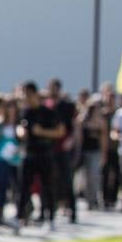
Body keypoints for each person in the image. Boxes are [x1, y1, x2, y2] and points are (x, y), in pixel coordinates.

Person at [16, 81, 64, 229]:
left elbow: (60, 131)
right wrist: (21, 132)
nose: (26, 98)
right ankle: (20, 217)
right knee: (24, 187)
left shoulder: (48, 112)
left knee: (48, 186)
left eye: (28, 94)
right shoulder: (25, 112)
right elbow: (20, 127)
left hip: (45, 153)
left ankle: (50, 218)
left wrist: (42, 132)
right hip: (29, 153)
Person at [46, 79, 79, 223]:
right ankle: (49, 211)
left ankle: (72, 211)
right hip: (49, 148)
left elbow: (73, 126)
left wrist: (71, 140)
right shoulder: (47, 106)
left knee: (67, 180)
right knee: (50, 181)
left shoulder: (67, 106)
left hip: (63, 148)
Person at [0, 98, 23, 227]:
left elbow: (22, 138)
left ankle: (19, 214)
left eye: (12, 106)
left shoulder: (19, 122)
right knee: (1, 187)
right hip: (2, 159)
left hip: (16, 160)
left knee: (17, 187)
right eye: (8, 106)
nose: (10, 109)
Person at [78, 91, 107, 210]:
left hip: (96, 151)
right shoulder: (83, 119)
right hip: (84, 151)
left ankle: (95, 199)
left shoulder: (101, 121)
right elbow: (78, 133)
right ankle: (89, 199)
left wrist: (104, 154)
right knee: (85, 177)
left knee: (94, 176)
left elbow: (103, 139)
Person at [99, 83, 121, 209]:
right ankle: (105, 198)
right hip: (104, 148)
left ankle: (113, 198)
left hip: (115, 148)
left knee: (116, 173)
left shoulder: (118, 113)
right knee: (105, 174)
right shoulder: (102, 113)